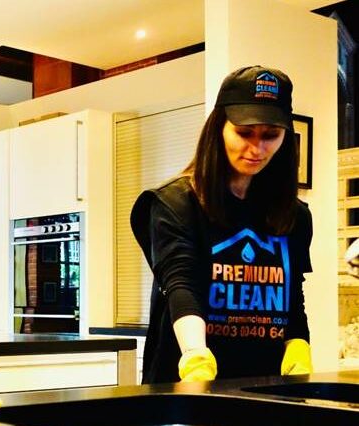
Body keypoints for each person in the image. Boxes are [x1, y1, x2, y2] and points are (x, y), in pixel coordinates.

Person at [130, 65, 313, 384]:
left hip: (264, 387)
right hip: (184, 386)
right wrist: (195, 355)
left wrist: (298, 345)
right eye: (244, 133)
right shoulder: (174, 203)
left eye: (270, 136)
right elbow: (180, 284)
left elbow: (291, 295)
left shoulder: (293, 214)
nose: (257, 149)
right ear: (219, 128)